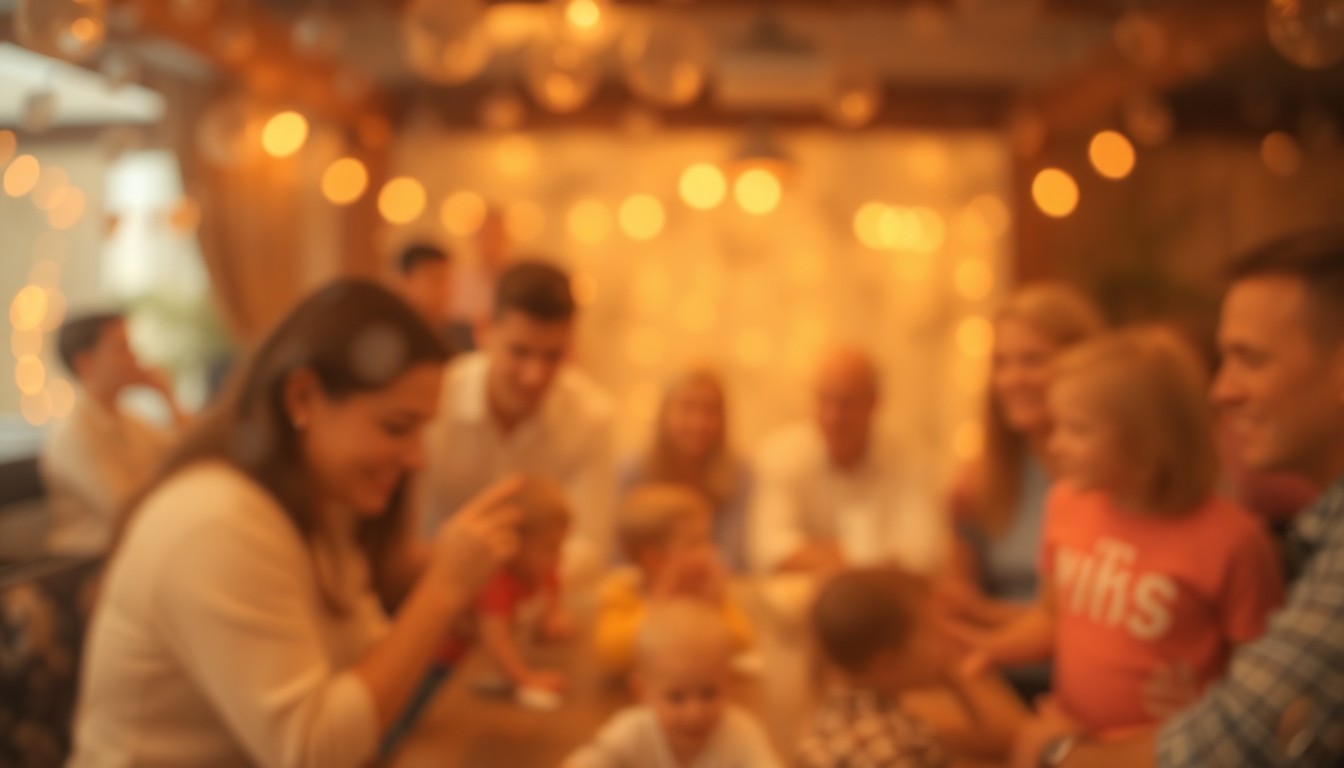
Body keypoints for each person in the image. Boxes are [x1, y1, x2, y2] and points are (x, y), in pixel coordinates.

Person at [69, 280, 522, 768]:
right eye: (396, 427)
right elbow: (312, 753)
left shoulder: (313, 508)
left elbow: (365, 661)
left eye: (422, 431)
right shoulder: (218, 521)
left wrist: (453, 605)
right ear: (302, 397)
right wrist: (443, 589)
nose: (417, 458)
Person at [1011, 230, 1344, 768]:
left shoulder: (1236, 539)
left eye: (1251, 360)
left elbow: (1237, 737)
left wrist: (1057, 751)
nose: (1221, 391)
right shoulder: (1319, 532)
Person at [967, 327, 1283, 735]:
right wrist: (988, 650)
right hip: (1069, 738)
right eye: (1057, 425)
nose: (1056, 444)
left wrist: (1208, 715)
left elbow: (1261, 678)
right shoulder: (1065, 501)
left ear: (1146, 443)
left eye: (1077, 430)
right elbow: (1050, 616)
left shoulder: (1234, 540)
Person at [419, 259, 615, 575]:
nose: (534, 376)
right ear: (484, 330)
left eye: (553, 356)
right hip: (433, 583)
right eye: (519, 352)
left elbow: (588, 547)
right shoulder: (436, 399)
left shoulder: (591, 416)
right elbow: (410, 535)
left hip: (538, 603)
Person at [381, 477, 572, 756]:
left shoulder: (541, 570)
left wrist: (552, 616)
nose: (559, 557)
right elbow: (494, 637)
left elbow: (552, 587)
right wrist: (524, 679)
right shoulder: (494, 577)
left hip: (469, 663)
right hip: (439, 662)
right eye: (550, 547)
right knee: (417, 721)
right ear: (514, 544)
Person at [750, 346, 943, 576]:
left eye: (847, 403)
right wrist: (865, 555)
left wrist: (821, 555)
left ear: (875, 403)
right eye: (824, 400)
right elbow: (768, 550)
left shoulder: (912, 460)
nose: (833, 417)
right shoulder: (781, 454)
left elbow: (925, 554)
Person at [800, 567, 1019, 768]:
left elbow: (1003, 741)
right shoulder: (897, 742)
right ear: (888, 664)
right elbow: (1015, 740)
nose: (947, 635)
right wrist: (954, 671)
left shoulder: (833, 719)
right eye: (932, 630)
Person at [40, 311, 190, 556]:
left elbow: (191, 453)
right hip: (87, 565)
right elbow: (126, 510)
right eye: (123, 349)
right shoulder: (74, 435)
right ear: (85, 363)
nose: (135, 358)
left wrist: (167, 396)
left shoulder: (130, 421)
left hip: (134, 549)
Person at [565, 599, 783, 768]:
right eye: (676, 697)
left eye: (709, 693)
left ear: (728, 681)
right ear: (642, 691)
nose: (695, 713)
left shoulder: (741, 734)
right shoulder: (633, 731)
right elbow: (585, 761)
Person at [593, 484, 754, 677]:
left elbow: (742, 642)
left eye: (708, 540)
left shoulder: (700, 594)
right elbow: (611, 655)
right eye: (695, 543)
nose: (709, 552)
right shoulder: (621, 593)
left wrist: (715, 604)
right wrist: (662, 599)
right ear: (653, 559)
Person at [618, 367, 752, 573]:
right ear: (665, 412)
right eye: (687, 408)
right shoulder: (632, 471)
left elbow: (734, 556)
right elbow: (620, 553)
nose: (699, 422)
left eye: (710, 410)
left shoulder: (739, 473)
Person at [394, 243, 474, 353]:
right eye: (436, 281)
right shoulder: (393, 338)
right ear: (407, 282)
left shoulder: (462, 335)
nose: (446, 292)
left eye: (448, 282)